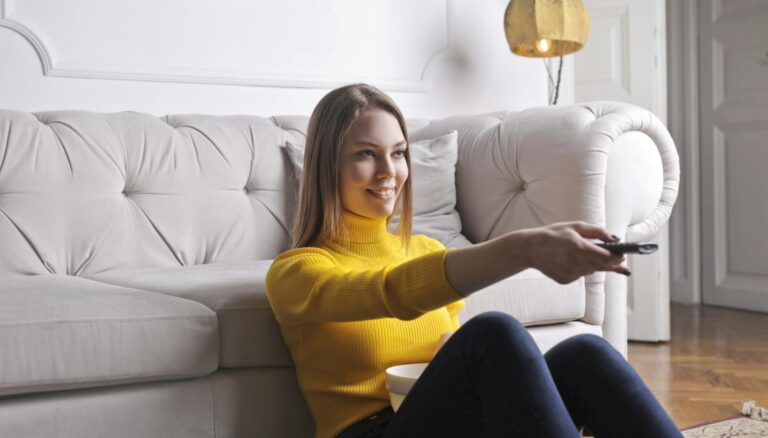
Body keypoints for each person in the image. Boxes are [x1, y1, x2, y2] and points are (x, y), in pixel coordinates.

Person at [265, 83, 682, 438]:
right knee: (491, 332)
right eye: (365, 154)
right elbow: (391, 291)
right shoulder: (296, 273)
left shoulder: (425, 252)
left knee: (586, 356)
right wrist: (524, 248)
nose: (388, 171)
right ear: (326, 165)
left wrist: (451, 356)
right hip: (374, 431)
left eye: (398, 153)